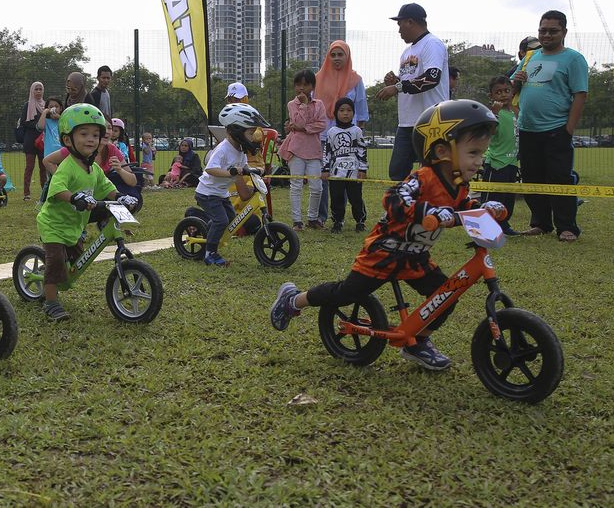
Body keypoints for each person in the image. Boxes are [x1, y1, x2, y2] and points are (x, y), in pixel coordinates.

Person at [270, 99, 506, 370]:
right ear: (441, 150)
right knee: (347, 293)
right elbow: (394, 198)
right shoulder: (423, 177)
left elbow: (463, 206)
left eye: (481, 154)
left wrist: (482, 208)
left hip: (415, 257)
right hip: (384, 252)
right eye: (474, 153)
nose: (480, 161)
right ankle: (293, 300)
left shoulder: (459, 185)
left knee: (446, 298)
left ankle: (417, 342)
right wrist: (427, 210)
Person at [36, 103, 136, 321]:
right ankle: (51, 302)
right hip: (54, 224)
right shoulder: (67, 165)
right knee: (55, 267)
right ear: (67, 140)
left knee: (76, 261)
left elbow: (107, 188)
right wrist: (75, 197)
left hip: (73, 225)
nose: (91, 139)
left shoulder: (94, 169)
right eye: (83, 134)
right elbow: (57, 188)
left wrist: (120, 197)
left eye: (95, 134)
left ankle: (57, 274)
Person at [511, 10, 587, 242]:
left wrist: (569, 129)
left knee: (560, 178)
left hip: (556, 129)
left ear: (564, 32)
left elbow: (580, 95)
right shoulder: (530, 57)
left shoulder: (573, 59)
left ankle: (567, 227)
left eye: (552, 31)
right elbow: (513, 88)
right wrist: (517, 81)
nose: (546, 35)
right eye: (542, 30)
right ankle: (540, 223)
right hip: (527, 129)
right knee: (532, 177)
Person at [376, 3, 450, 181]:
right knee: (397, 171)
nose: (399, 30)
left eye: (400, 24)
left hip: (431, 121)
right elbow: (410, 83)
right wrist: (397, 81)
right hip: (406, 123)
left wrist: (397, 87)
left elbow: (432, 78)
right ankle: (405, 208)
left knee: (433, 174)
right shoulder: (406, 52)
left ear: (410, 22)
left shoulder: (432, 44)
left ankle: (433, 208)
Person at [195, 103, 270, 266]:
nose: (252, 137)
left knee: (229, 218)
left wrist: (255, 171)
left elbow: (243, 167)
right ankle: (210, 253)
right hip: (207, 193)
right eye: (250, 132)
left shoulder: (240, 150)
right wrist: (231, 172)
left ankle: (207, 233)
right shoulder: (223, 149)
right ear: (238, 130)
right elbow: (211, 169)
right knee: (221, 221)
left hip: (221, 193)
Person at [314, 40, 369, 226]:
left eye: (340, 54)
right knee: (324, 178)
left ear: (348, 56)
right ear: (328, 57)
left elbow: (361, 107)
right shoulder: (318, 79)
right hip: (323, 135)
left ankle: (342, 218)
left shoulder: (356, 80)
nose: (337, 58)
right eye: (333, 55)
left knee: (347, 178)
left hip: (349, 139)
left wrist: (359, 133)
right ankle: (321, 217)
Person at [281, 69, 327, 231]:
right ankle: (297, 221)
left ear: (312, 86)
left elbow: (322, 125)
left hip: (314, 151)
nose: (301, 88)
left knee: (317, 187)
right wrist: (304, 107)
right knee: (296, 185)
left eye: (305, 85)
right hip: (296, 150)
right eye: (298, 85)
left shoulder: (319, 104)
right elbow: (297, 121)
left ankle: (313, 218)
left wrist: (303, 127)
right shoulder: (292, 105)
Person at [481, 76, 520, 236]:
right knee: (492, 198)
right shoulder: (491, 113)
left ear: (512, 93)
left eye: (506, 91)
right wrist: (495, 113)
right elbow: (490, 131)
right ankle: (486, 227)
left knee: (508, 197)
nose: (503, 95)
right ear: (491, 96)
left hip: (511, 163)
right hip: (496, 163)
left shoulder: (515, 113)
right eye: (498, 92)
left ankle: (504, 224)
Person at [323, 98, 367, 234]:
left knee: (355, 198)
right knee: (336, 198)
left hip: (353, 173)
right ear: (336, 113)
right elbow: (327, 152)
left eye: (349, 110)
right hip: (336, 173)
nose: (345, 113)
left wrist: (362, 169)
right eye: (342, 110)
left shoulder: (357, 131)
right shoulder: (331, 132)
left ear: (353, 113)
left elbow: (362, 150)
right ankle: (337, 221)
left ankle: (360, 221)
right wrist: (325, 169)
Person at [20, 81, 47, 200]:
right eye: (36, 89)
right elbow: (24, 122)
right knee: (29, 167)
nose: (38, 91)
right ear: (32, 91)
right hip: (30, 141)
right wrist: (37, 126)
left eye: (40, 89)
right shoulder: (28, 105)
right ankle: (26, 193)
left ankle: (44, 192)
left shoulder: (46, 106)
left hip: (43, 142)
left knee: (44, 167)